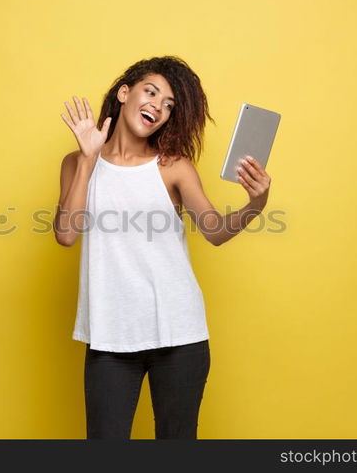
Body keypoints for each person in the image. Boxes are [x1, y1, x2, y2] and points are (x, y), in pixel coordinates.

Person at [54, 56, 271, 439]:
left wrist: (255, 205)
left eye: (169, 104)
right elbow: (67, 234)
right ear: (125, 93)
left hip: (179, 334)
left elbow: (216, 232)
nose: (158, 105)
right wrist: (89, 159)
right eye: (150, 92)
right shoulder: (76, 163)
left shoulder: (173, 167)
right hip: (110, 334)